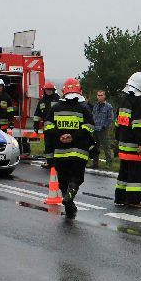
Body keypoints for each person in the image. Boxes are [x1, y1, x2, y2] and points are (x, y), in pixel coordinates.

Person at [44, 78, 95, 218]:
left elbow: (47, 125)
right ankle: (68, 201)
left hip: (60, 151)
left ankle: (69, 206)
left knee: (63, 180)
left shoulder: (56, 108)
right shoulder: (84, 108)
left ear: (64, 91)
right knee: (76, 178)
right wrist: (74, 136)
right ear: (79, 91)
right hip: (79, 151)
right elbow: (90, 126)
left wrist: (59, 135)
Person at [114, 72, 141, 208]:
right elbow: (139, 125)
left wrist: (118, 138)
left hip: (123, 144)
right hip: (134, 145)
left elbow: (118, 122)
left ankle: (120, 198)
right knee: (136, 175)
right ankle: (134, 201)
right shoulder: (139, 102)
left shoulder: (124, 100)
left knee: (123, 173)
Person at [34, 81, 60, 167]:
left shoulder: (58, 100)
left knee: (56, 145)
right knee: (48, 145)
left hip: (57, 128)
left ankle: (56, 162)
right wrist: (35, 126)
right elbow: (37, 114)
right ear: (44, 90)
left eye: (50, 90)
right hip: (47, 128)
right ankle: (49, 162)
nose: (48, 91)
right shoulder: (42, 101)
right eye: (47, 90)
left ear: (53, 90)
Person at [90, 89, 114, 169]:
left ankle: (108, 163)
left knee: (106, 147)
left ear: (104, 96)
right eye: (98, 95)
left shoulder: (108, 106)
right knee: (95, 147)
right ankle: (95, 163)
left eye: (101, 95)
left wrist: (105, 126)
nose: (99, 97)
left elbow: (110, 118)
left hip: (103, 130)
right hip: (95, 129)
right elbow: (93, 115)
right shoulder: (95, 105)